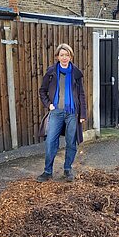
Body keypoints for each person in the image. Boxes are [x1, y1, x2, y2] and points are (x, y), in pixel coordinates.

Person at [37, 43, 87, 182]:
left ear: (71, 56)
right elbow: (42, 91)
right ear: (57, 57)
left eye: (67, 55)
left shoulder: (76, 74)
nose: (64, 57)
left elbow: (81, 94)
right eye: (62, 55)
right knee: (50, 141)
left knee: (71, 142)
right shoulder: (51, 72)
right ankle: (47, 171)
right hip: (56, 112)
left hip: (72, 113)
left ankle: (67, 169)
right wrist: (49, 105)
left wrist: (83, 114)